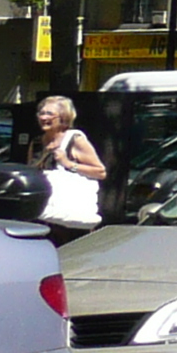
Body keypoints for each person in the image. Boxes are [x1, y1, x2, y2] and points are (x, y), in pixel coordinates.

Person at [31, 94, 106, 242]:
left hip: (70, 221)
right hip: (43, 215)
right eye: (41, 113)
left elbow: (100, 172)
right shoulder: (37, 142)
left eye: (49, 114)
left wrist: (68, 164)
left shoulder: (75, 140)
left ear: (63, 117)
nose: (43, 117)